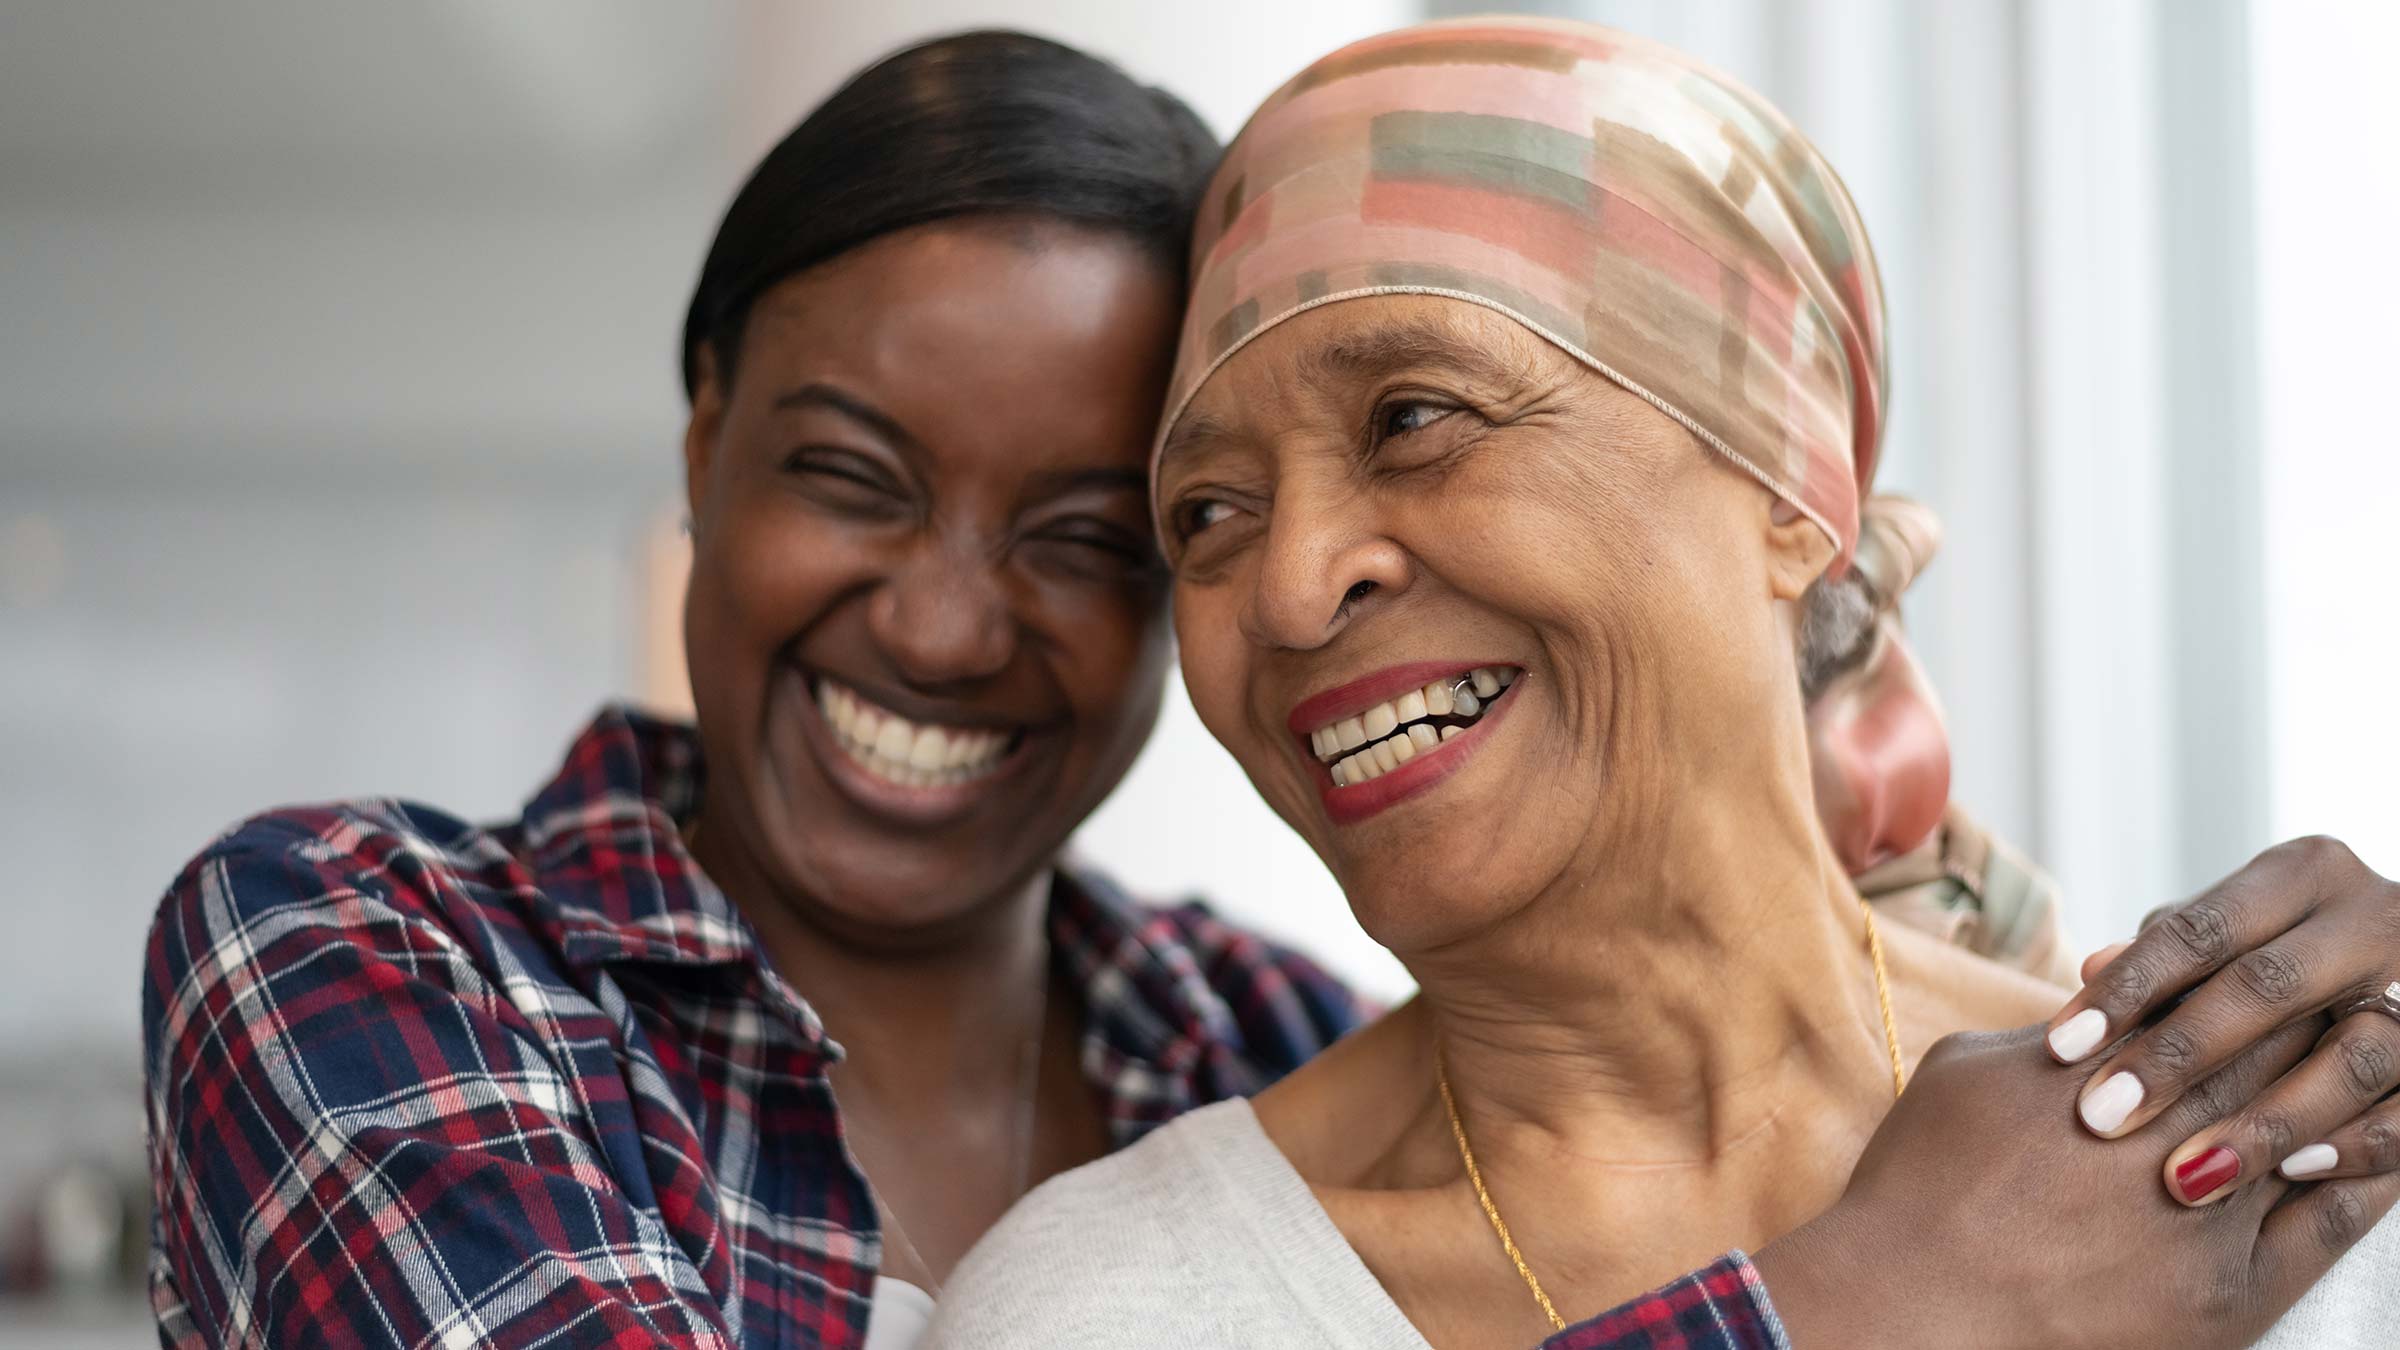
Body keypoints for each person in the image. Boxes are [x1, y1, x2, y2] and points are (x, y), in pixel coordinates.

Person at [923, 18, 2400, 1349]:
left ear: (1788, 489)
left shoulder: (2300, 1155)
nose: (1295, 583)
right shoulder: (1104, 1305)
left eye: (1416, 416)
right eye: (1208, 515)